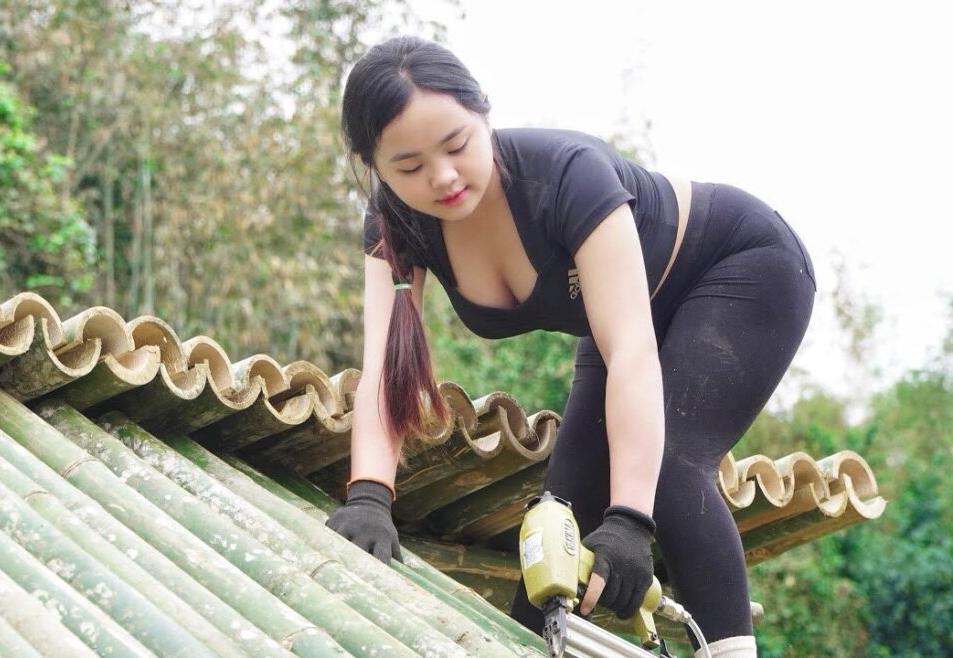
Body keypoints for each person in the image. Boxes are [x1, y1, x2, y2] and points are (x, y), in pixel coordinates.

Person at [324, 35, 815, 658]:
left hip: (739, 267)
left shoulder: (564, 175)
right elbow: (385, 369)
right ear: (374, 165)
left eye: (457, 146)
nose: (442, 177)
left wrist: (631, 522)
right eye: (409, 167)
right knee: (558, 519)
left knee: (665, 468)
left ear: (484, 115)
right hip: (618, 318)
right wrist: (370, 494)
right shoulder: (397, 226)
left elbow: (631, 349)